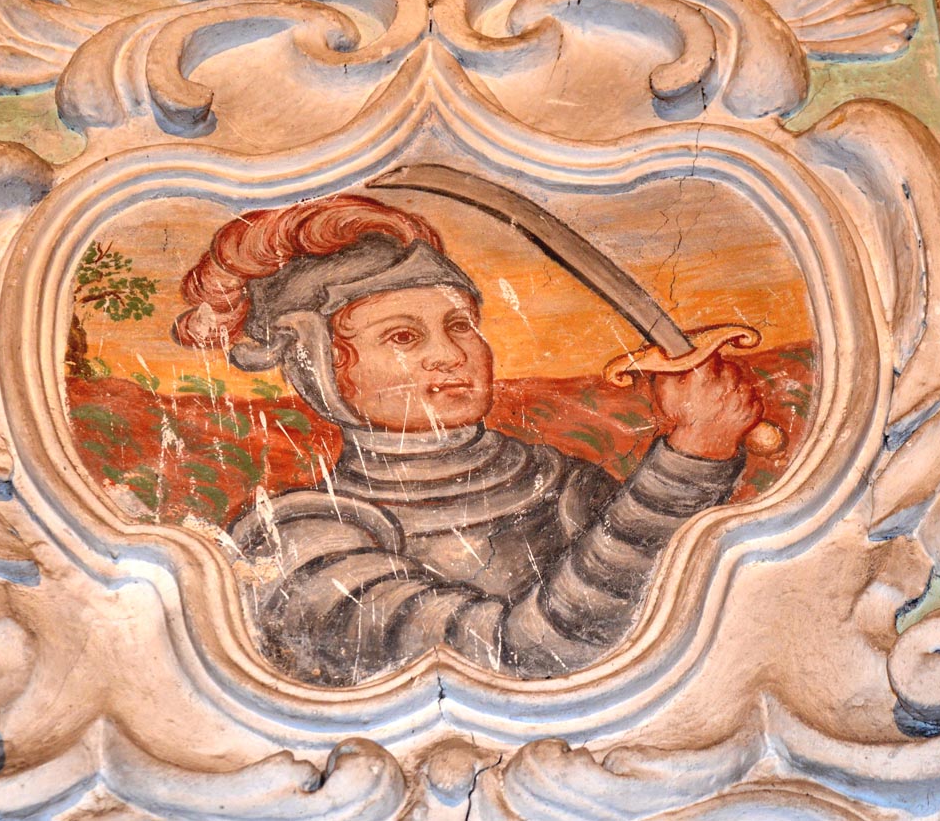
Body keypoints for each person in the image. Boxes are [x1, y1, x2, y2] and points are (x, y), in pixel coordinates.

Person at [174, 194, 761, 685]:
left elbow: (695, 607)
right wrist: (688, 460)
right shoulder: (299, 542)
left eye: (460, 325)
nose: (451, 355)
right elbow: (516, 658)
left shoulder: (558, 480)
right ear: (319, 367)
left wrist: (702, 447)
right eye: (403, 336)